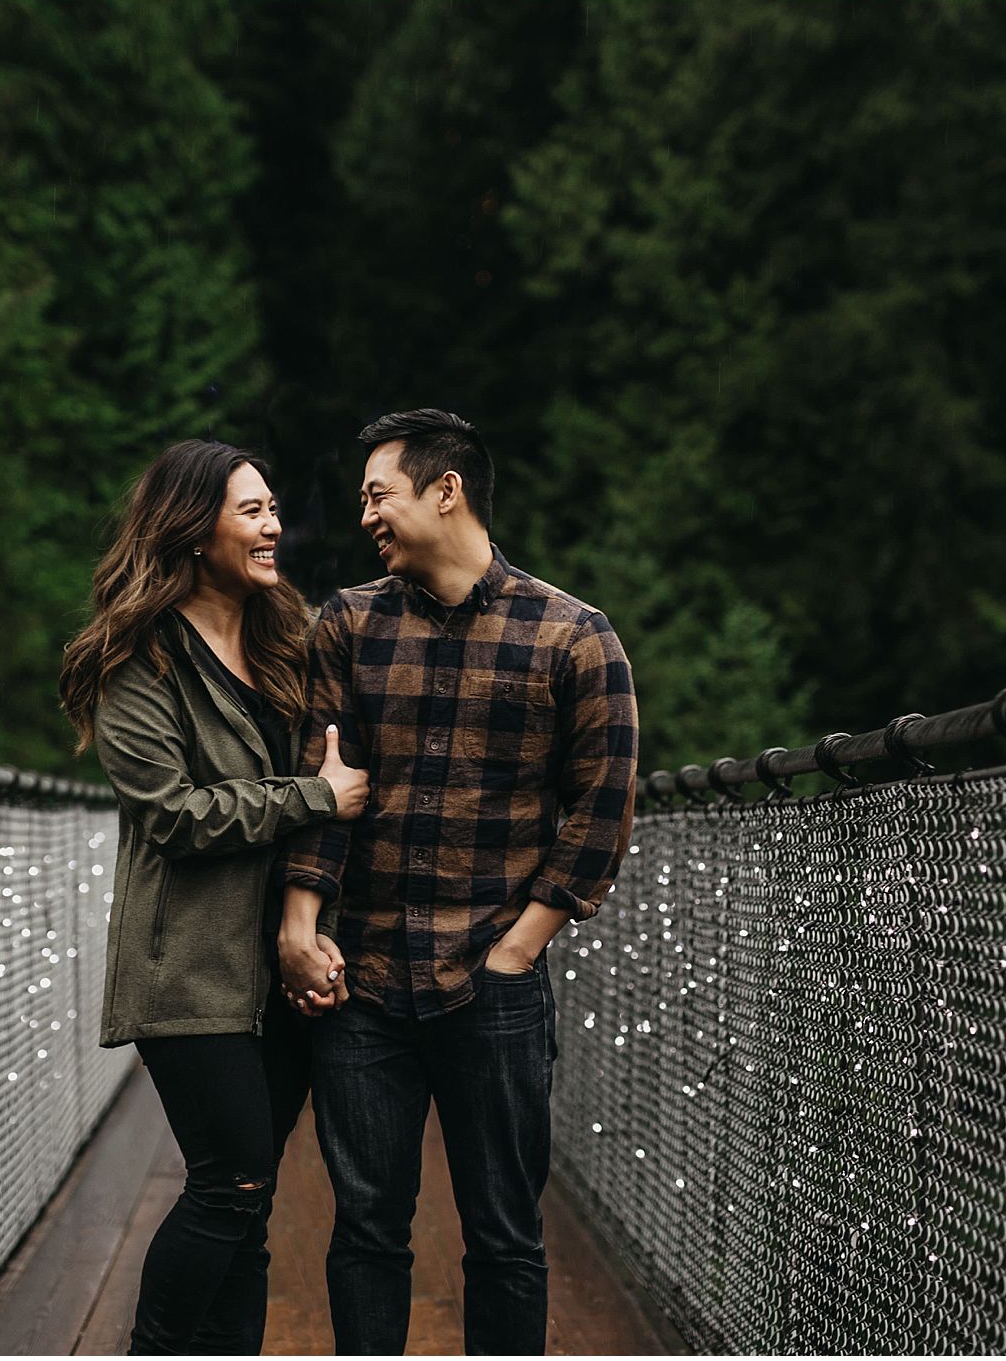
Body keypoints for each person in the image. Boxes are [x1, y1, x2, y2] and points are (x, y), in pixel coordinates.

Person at [276, 408, 639, 1356]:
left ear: (448, 490)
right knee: (365, 1231)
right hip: (363, 980)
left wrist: (518, 952)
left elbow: (602, 809)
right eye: (360, 499)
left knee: (506, 1238)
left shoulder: (575, 638)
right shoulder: (348, 625)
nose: (366, 517)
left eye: (379, 495)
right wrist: (300, 921)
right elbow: (318, 789)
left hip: (494, 986)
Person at [59, 438, 370, 1355]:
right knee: (228, 1182)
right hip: (187, 974)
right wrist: (316, 796)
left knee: (250, 1205)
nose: (274, 527)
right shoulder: (134, 660)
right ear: (194, 529)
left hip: (274, 967)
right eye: (252, 511)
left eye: (275, 508)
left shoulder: (288, 639)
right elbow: (175, 815)